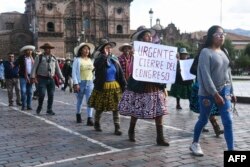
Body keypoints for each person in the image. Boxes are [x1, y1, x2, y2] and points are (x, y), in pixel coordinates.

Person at [190, 25, 237, 156]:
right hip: (208, 93)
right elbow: (205, 75)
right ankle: (195, 143)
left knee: (228, 121)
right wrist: (214, 93)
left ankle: (231, 152)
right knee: (204, 119)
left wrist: (232, 91)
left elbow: (229, 73)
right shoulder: (205, 52)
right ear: (211, 36)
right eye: (218, 34)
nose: (222, 36)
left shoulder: (224, 51)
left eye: (223, 34)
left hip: (225, 90)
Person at [118, 26, 169, 146]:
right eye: (147, 35)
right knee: (136, 109)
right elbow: (131, 70)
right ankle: (131, 130)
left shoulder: (157, 52)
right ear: (141, 38)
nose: (149, 37)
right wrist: (134, 58)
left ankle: (160, 137)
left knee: (159, 110)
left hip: (155, 85)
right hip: (141, 85)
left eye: (150, 35)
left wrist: (164, 86)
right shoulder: (136, 52)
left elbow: (162, 69)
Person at [88, 40, 126, 135]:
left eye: (110, 48)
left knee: (116, 107)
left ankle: (117, 127)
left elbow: (120, 73)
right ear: (102, 50)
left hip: (114, 86)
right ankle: (97, 122)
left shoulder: (114, 59)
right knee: (100, 106)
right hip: (102, 86)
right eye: (106, 48)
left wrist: (124, 85)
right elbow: (97, 65)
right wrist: (104, 56)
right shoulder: (99, 59)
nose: (109, 49)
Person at [189, 38, 224, 137]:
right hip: (201, 86)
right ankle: (215, 128)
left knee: (208, 109)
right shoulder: (199, 56)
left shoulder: (217, 54)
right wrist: (203, 72)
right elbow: (192, 70)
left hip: (213, 86)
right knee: (208, 108)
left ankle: (203, 123)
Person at [31, 43, 64, 115]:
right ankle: (40, 106)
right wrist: (33, 77)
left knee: (51, 94)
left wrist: (62, 78)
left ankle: (49, 109)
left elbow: (57, 69)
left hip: (51, 79)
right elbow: (34, 68)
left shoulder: (54, 58)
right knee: (42, 94)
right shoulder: (39, 57)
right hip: (42, 78)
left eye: (48, 48)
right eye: (46, 48)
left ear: (50, 49)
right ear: (44, 49)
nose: (47, 50)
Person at [72, 42, 95, 125]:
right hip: (80, 82)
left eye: (88, 49)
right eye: (85, 49)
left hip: (90, 83)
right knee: (80, 100)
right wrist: (76, 83)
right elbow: (74, 72)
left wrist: (94, 81)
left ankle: (90, 118)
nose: (87, 50)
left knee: (90, 101)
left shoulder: (91, 60)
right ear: (81, 51)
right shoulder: (77, 60)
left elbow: (93, 72)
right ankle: (78, 114)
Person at [16, 45, 36, 110]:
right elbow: (15, 64)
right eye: (28, 50)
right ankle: (23, 105)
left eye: (30, 50)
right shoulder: (21, 58)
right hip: (23, 76)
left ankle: (29, 105)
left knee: (30, 92)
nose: (30, 51)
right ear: (25, 51)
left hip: (31, 76)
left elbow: (35, 66)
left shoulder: (33, 58)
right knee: (23, 91)